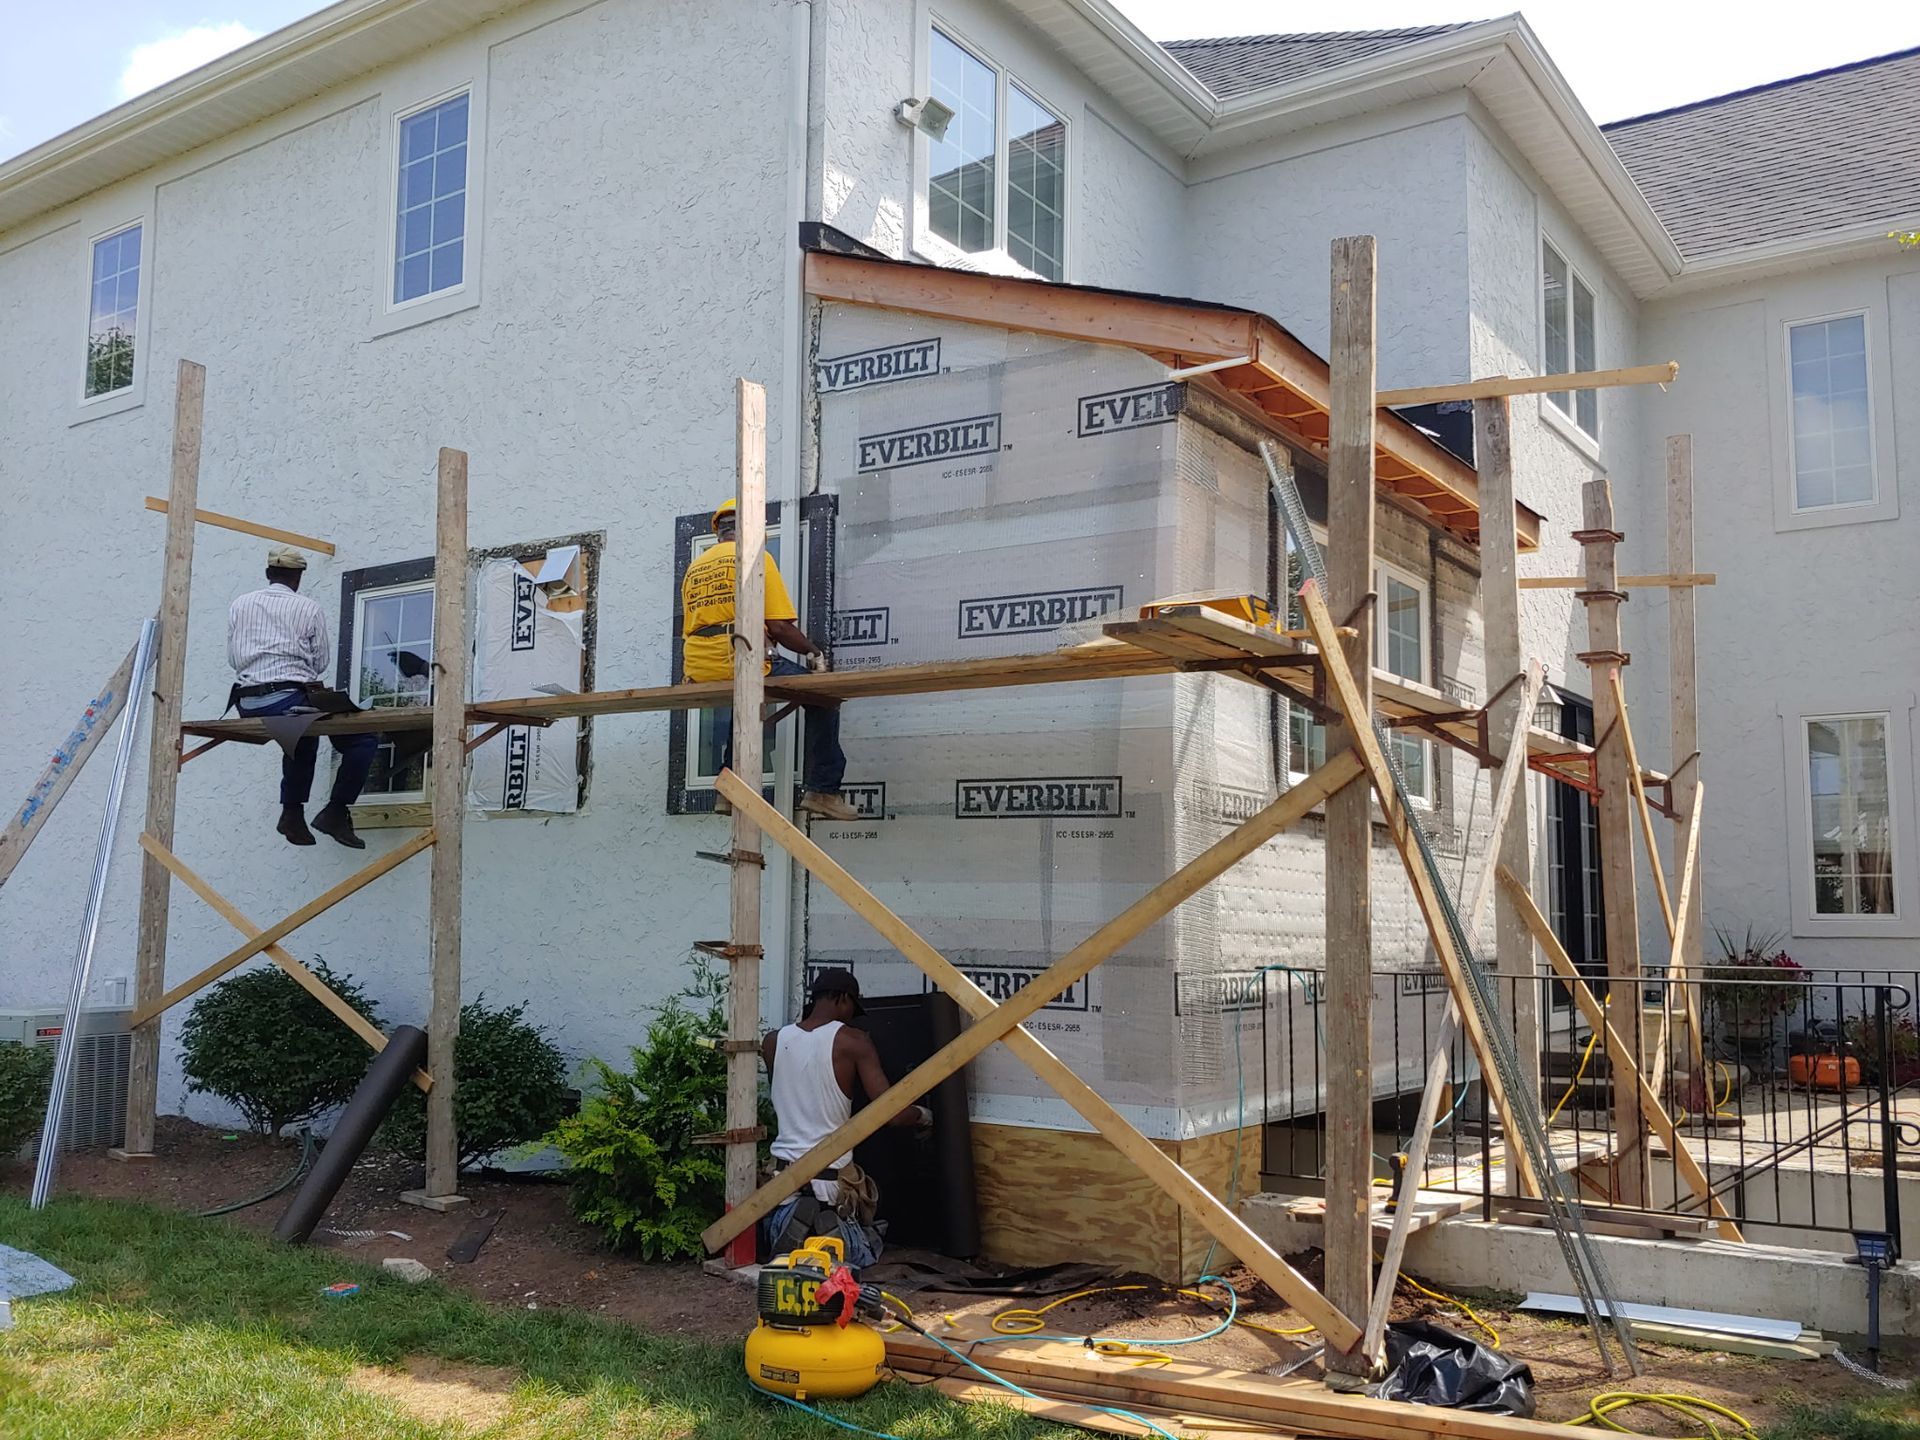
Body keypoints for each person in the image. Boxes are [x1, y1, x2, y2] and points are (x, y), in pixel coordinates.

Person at [681, 498, 856, 821]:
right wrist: (813, 653)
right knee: (824, 698)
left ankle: (728, 786)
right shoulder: (754, 558)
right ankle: (823, 790)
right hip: (738, 657)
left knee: (746, 705)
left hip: (700, 664)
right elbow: (778, 625)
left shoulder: (697, 566)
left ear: (720, 532)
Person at [760, 968, 932, 1262]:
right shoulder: (853, 1041)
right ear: (842, 999)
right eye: (852, 1007)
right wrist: (924, 1115)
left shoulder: (774, 1041)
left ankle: (795, 1227)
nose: (852, 1016)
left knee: (787, 1242)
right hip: (831, 1187)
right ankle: (827, 1229)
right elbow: (891, 1113)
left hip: (781, 1185)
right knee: (866, 1251)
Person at [226, 546, 380, 849]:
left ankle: (292, 812)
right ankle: (337, 809)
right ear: (298, 577)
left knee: (303, 736)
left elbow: (234, 658)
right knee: (362, 737)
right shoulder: (308, 608)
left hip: (247, 702)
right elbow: (320, 662)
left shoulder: (239, 604)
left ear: (269, 574)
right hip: (284, 699)